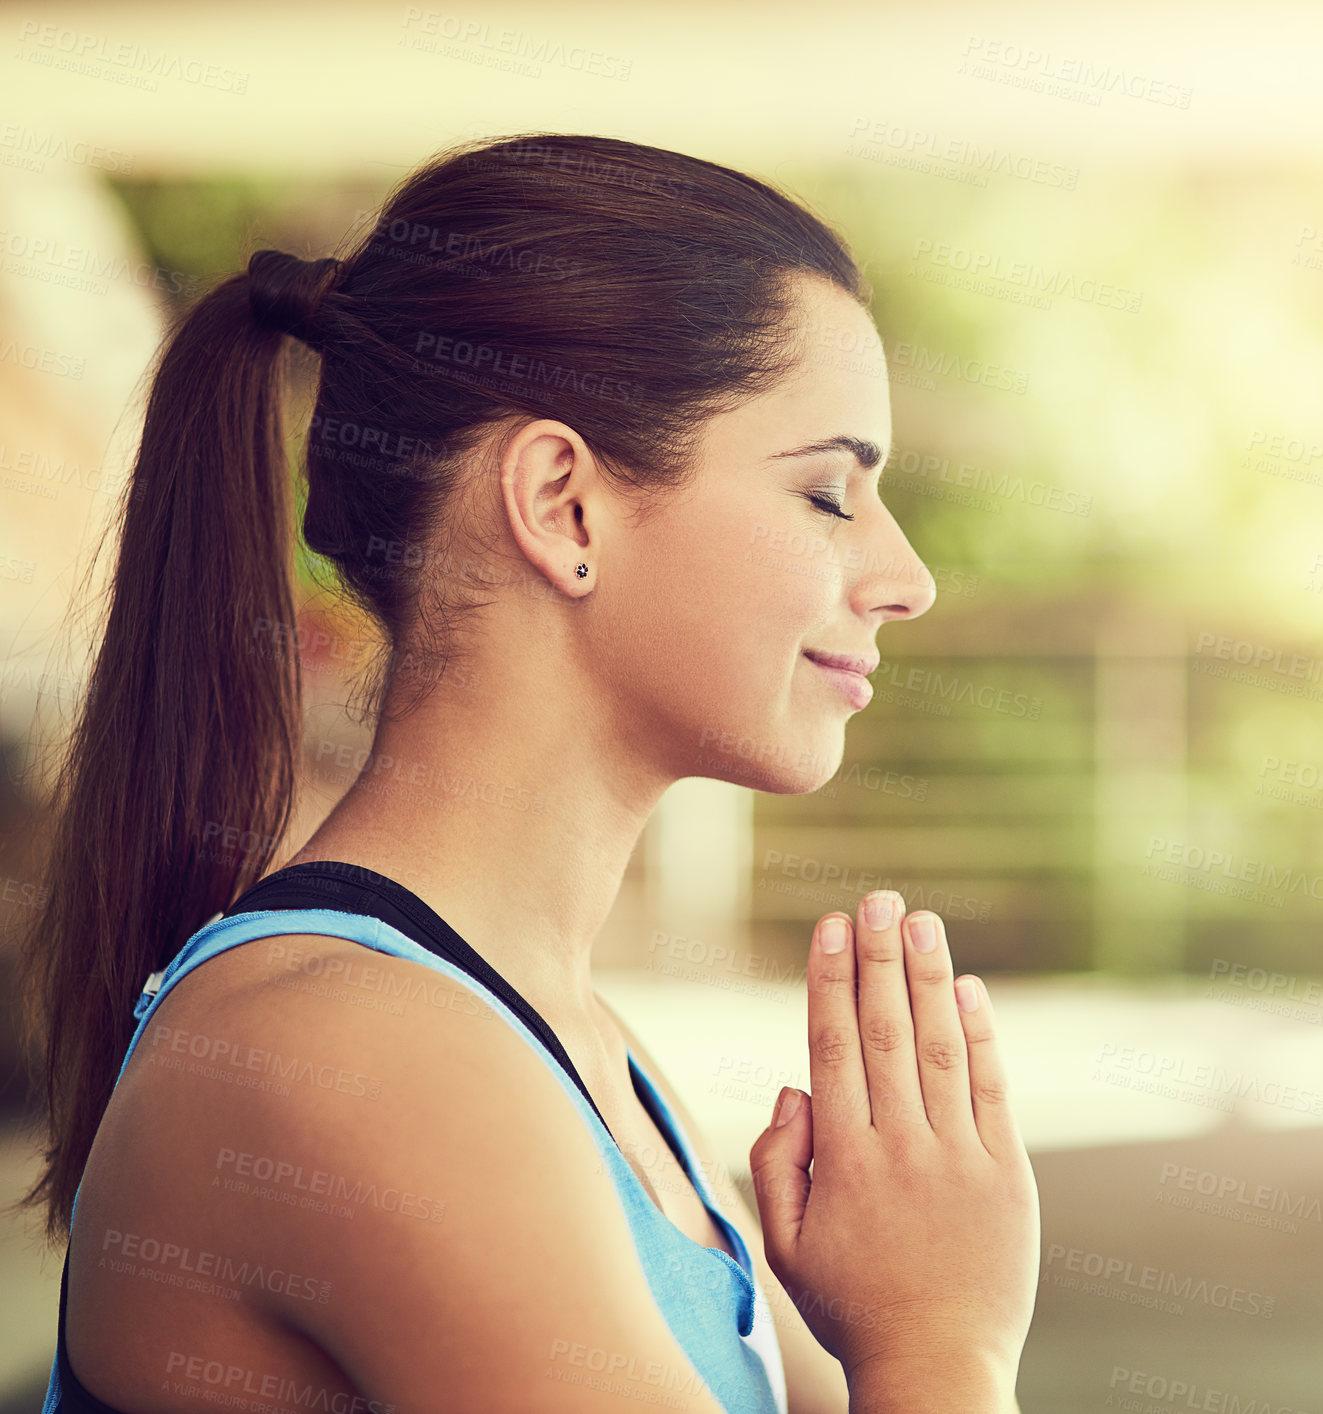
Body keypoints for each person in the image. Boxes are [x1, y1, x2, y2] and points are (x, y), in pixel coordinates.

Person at [17, 132, 1040, 1413]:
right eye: (830, 492)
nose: (907, 579)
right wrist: (940, 1338)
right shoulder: (359, 1056)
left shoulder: (584, 1056)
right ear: (562, 503)